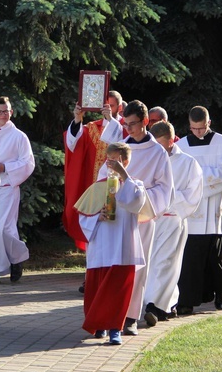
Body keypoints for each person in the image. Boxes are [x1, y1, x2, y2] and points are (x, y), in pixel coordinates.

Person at [98, 100, 173, 335]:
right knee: (114, 266)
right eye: (126, 124)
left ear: (146, 122)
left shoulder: (158, 152)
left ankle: (130, 316)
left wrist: (139, 200)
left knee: (138, 267)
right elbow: (103, 178)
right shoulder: (118, 148)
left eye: (133, 124)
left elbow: (164, 188)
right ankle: (111, 315)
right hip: (117, 217)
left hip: (141, 217)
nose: (129, 129)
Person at [76, 142, 148, 345]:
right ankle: (99, 325)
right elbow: (83, 217)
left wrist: (123, 175)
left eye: (116, 161)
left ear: (125, 162)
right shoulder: (97, 187)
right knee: (98, 287)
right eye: (109, 161)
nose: (111, 165)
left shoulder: (136, 185)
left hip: (124, 246)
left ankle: (116, 327)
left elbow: (135, 203)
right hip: (101, 245)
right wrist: (96, 217)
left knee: (119, 289)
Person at [175, 106, 222, 314]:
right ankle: (187, 300)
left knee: (214, 257)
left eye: (201, 128)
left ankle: (220, 293)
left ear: (208, 123)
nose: (198, 133)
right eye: (194, 129)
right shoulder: (181, 145)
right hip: (192, 210)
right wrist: (196, 186)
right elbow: (179, 174)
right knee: (190, 257)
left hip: (215, 209)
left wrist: (198, 182)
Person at [144, 121, 203, 325]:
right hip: (151, 220)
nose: (157, 150)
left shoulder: (188, 163)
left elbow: (193, 195)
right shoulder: (149, 159)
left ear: (171, 141)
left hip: (172, 219)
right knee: (151, 264)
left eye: (161, 145)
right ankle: (165, 305)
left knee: (166, 263)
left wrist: (168, 198)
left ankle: (154, 305)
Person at [63, 90, 125, 252]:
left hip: (117, 187)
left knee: (115, 228)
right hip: (93, 185)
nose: (107, 109)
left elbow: (122, 142)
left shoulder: (125, 128)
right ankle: (92, 272)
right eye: (105, 106)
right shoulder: (91, 128)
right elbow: (72, 144)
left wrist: (110, 120)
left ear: (119, 107)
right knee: (94, 228)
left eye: (111, 106)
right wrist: (77, 118)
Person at [0, 96, 35, 283]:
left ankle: (12, 260)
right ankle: (2, 265)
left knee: (2, 228)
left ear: (11, 112)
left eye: (6, 111)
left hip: (8, 186)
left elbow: (28, 162)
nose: (2, 115)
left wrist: (5, 167)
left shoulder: (19, 136)